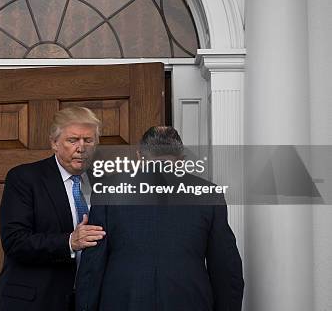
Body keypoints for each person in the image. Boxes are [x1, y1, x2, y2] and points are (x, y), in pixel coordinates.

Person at [75, 126, 244, 310]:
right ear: (181, 160)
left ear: (140, 156)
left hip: (124, 301)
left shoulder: (107, 191)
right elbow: (227, 270)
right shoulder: (210, 194)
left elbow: (92, 267)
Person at [0, 107, 106, 310]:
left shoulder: (107, 182)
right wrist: (69, 242)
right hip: (37, 301)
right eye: (73, 140)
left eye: (88, 140)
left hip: (93, 300)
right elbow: (15, 241)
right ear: (54, 143)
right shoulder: (25, 178)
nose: (81, 148)